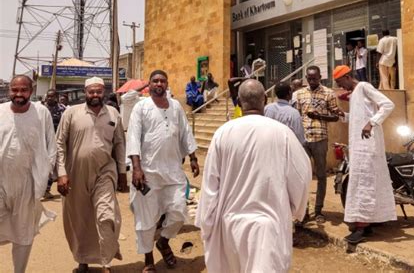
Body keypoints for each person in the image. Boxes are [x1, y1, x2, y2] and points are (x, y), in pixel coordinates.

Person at [196, 79, 311, 273]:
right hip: (268, 229)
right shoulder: (282, 133)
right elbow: (302, 175)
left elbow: (210, 185)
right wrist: (295, 211)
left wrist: (206, 224)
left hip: (230, 226)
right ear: (265, 100)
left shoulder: (223, 133)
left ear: (239, 103)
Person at [127, 70, 199, 272]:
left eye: (162, 80)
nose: (159, 83)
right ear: (149, 85)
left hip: (173, 171)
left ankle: (163, 242)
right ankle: (148, 259)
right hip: (147, 173)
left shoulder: (176, 106)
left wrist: (193, 157)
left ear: (167, 84)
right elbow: (133, 137)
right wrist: (137, 169)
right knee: (146, 219)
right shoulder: (141, 108)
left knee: (178, 212)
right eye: (155, 80)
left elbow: (185, 132)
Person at [56, 76, 127, 273]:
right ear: (85, 93)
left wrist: (122, 172)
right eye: (91, 92)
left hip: (105, 172)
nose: (95, 95)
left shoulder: (113, 113)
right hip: (75, 174)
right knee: (80, 219)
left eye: (98, 92)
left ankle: (106, 262)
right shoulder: (71, 113)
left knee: (106, 216)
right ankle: (83, 260)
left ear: (103, 92)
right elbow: (59, 144)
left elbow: (120, 143)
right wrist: (61, 173)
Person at [333, 65, 396, 244]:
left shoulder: (364, 86)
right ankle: (365, 224)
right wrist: (343, 115)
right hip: (359, 147)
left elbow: (388, 104)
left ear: (347, 76)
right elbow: (358, 117)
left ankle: (361, 227)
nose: (341, 87)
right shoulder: (355, 93)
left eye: (340, 82)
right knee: (361, 184)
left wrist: (372, 123)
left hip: (368, 147)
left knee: (364, 184)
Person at [0, 75, 57, 273]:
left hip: (28, 185)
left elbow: (52, 144)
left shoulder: (41, 113)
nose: (18, 94)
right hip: (0, 182)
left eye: (23, 90)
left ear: (30, 91)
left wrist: (45, 174)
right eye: (15, 90)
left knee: (23, 232)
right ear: (9, 90)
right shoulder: (0, 112)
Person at [295, 65, 340, 223]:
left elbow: (336, 117)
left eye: (315, 78)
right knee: (303, 176)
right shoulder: (299, 94)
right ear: (306, 78)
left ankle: (319, 210)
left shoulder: (328, 93)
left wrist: (320, 116)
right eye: (309, 78)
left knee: (321, 175)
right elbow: (297, 115)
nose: (312, 81)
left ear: (320, 77)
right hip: (304, 140)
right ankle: (304, 210)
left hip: (320, 139)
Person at [43, 88, 66, 200]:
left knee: (53, 165)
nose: (50, 98)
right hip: (43, 141)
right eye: (48, 96)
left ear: (56, 97)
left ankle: (46, 189)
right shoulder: (41, 109)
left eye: (52, 96)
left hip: (57, 141)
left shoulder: (62, 109)